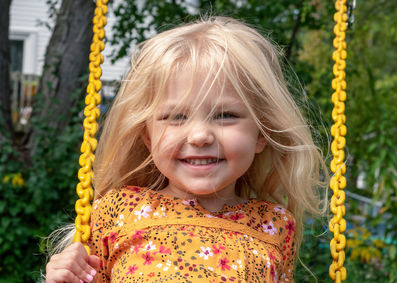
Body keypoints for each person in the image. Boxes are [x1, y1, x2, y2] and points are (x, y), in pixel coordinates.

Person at [45, 16, 327, 283]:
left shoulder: (274, 224)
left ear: (261, 133)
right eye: (176, 117)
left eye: (225, 115)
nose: (201, 136)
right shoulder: (117, 211)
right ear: (147, 136)